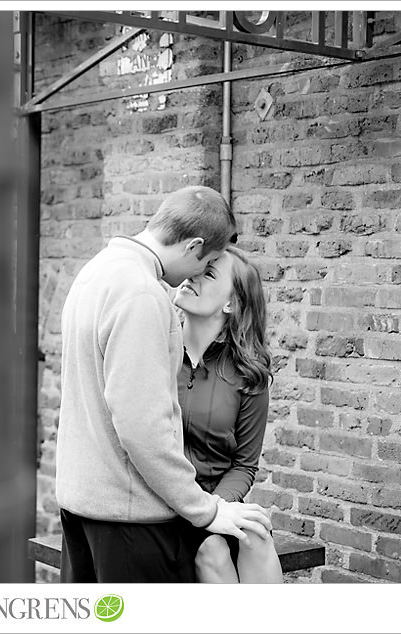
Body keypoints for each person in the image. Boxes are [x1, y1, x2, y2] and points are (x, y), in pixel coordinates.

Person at [55, 185, 272, 583]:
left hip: (83, 506)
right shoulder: (142, 293)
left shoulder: (96, 271)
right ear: (193, 246)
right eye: (204, 264)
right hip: (127, 518)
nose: (192, 278)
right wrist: (204, 510)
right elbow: (142, 427)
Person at [173, 246, 283, 583]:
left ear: (231, 304)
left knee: (256, 533)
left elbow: (244, 464)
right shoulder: (156, 350)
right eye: (196, 267)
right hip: (168, 504)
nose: (193, 276)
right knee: (214, 550)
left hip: (217, 501)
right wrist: (200, 510)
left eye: (208, 273)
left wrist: (219, 506)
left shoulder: (248, 374)